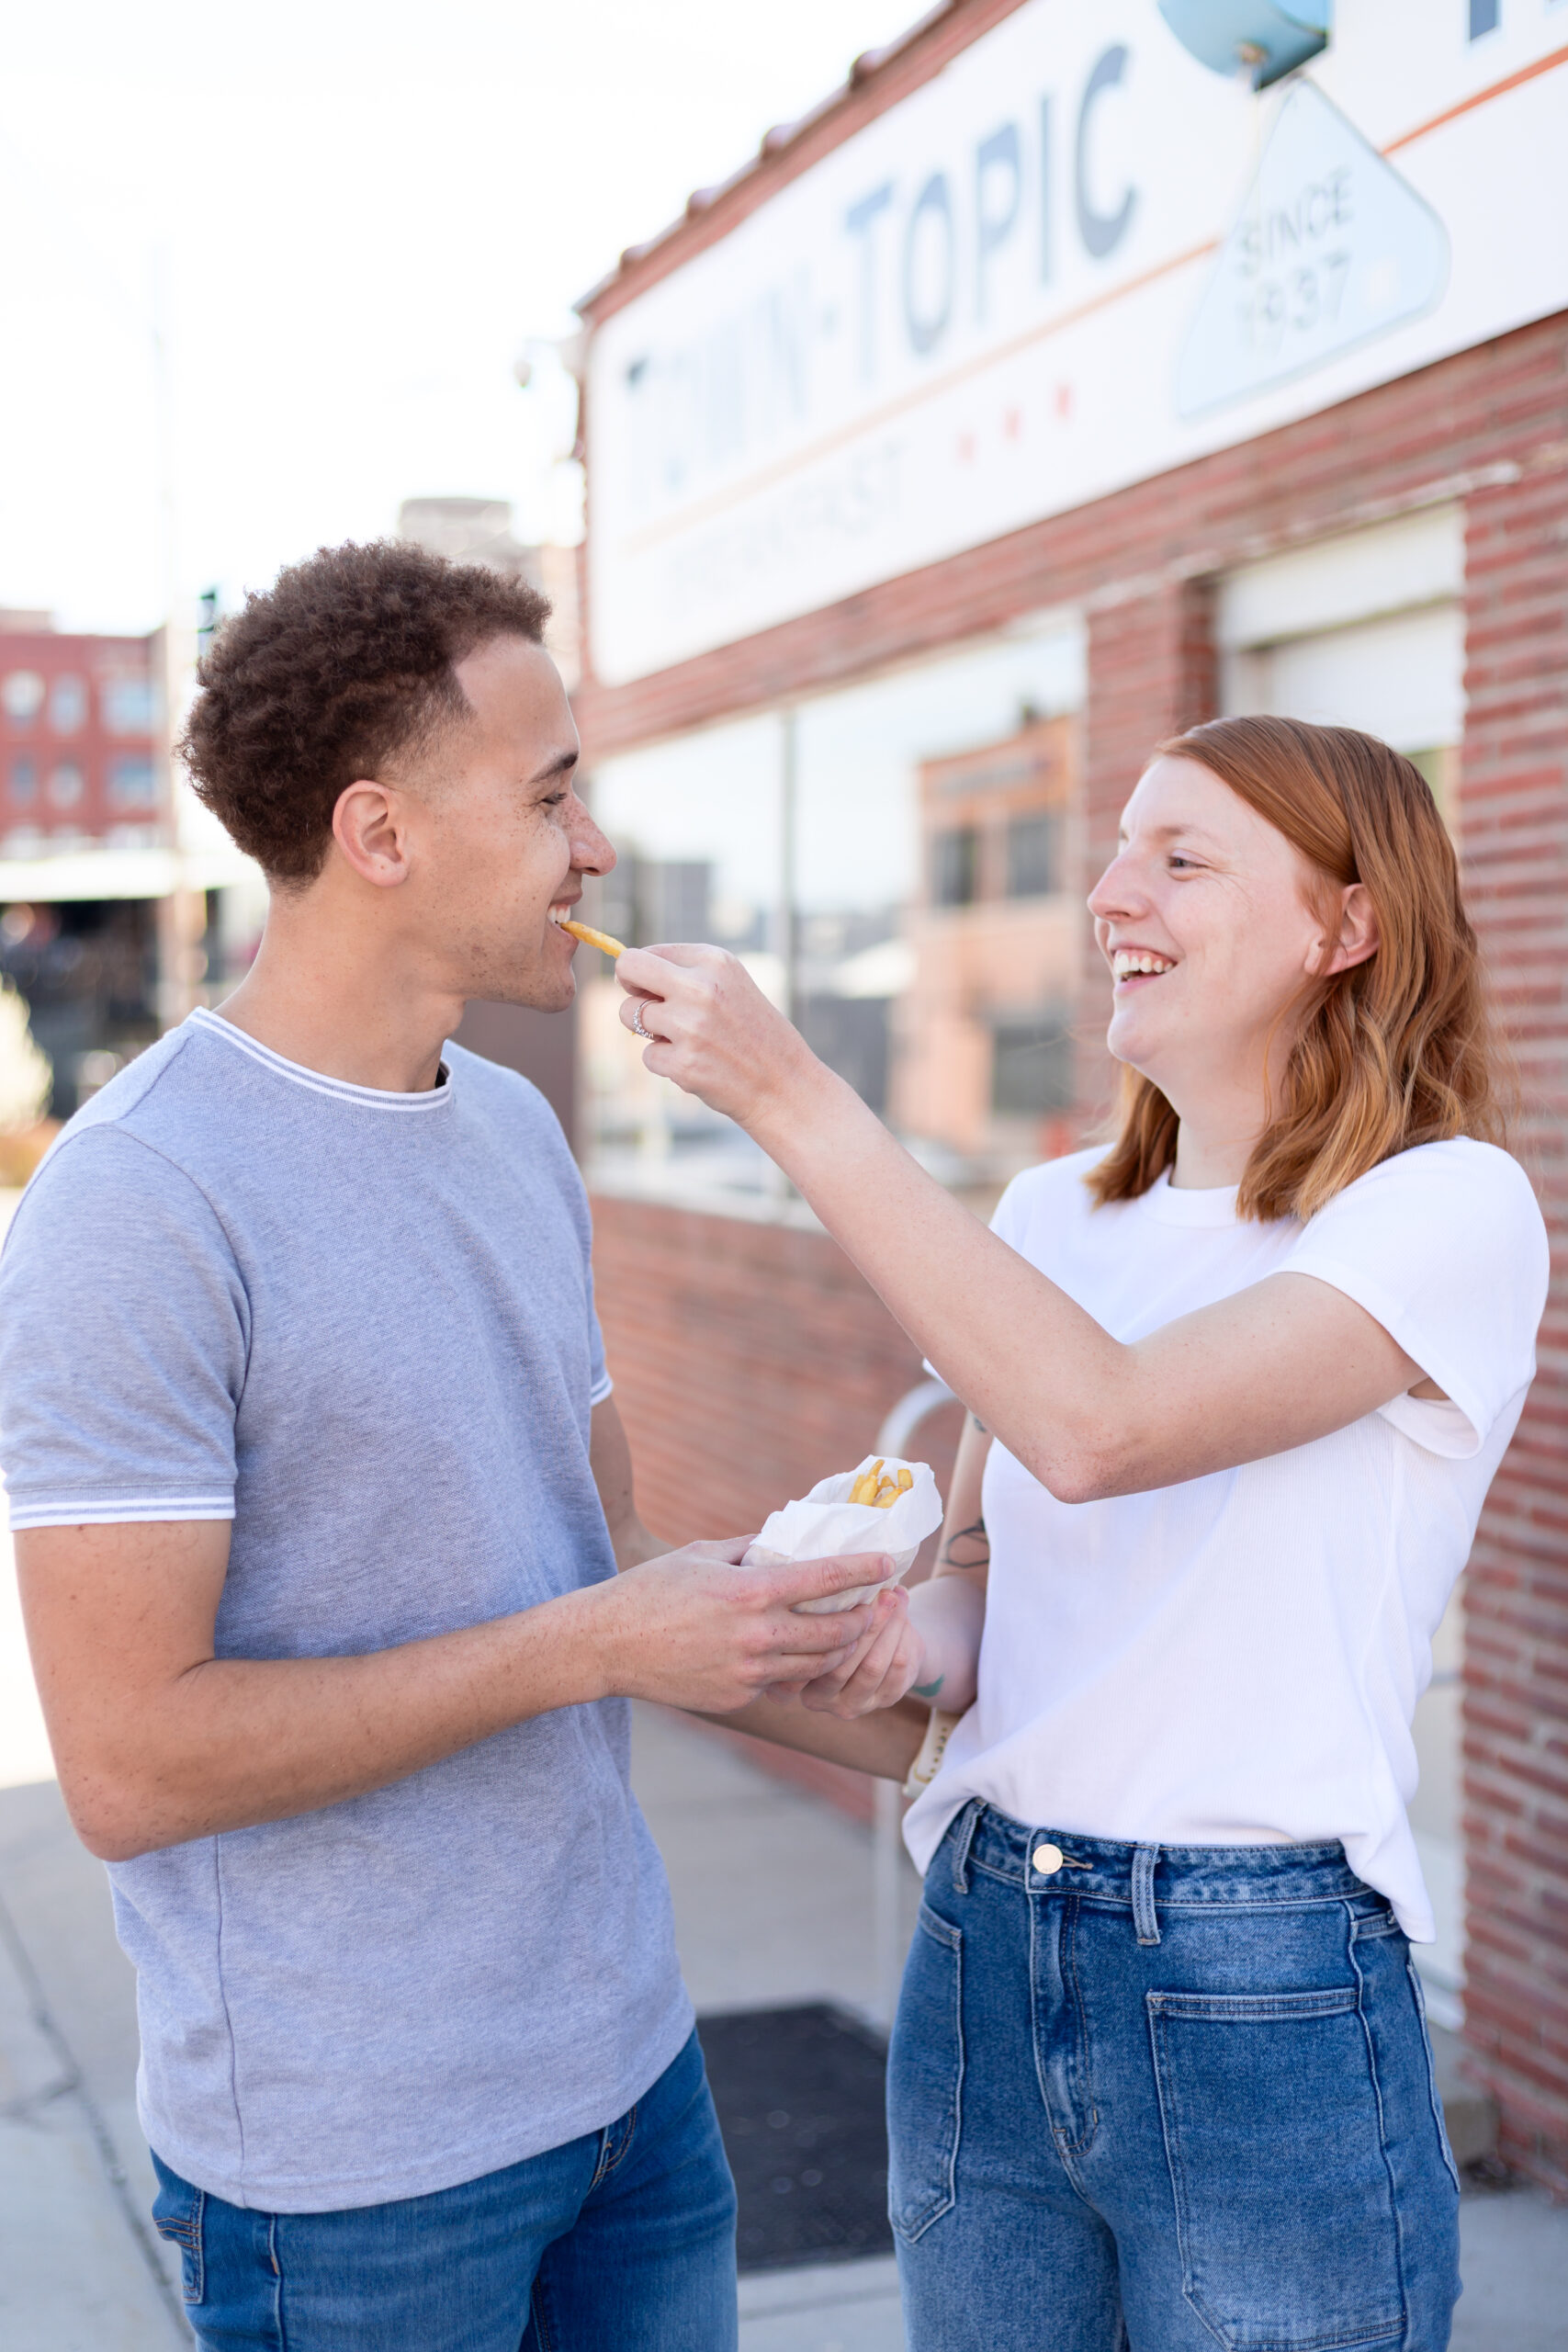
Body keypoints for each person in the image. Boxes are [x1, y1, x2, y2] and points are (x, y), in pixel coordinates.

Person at [0, 541, 908, 2352]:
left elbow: (606, 1561)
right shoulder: (137, 1203)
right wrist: (594, 1644)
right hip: (351, 2179)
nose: (595, 848)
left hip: (634, 2092)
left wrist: (921, 1709)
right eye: (552, 794)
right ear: (381, 832)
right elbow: (130, 1766)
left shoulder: (511, 1130)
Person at [612, 716, 1550, 2352]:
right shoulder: (1054, 1214)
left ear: (1346, 926)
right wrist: (890, 1639)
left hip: (1256, 1975)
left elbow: (1099, 1428)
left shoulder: (1441, 1210)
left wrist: (792, 1094)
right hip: (983, 1938)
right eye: (1119, 851)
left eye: (1182, 859)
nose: (1114, 893)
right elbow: (989, 1587)